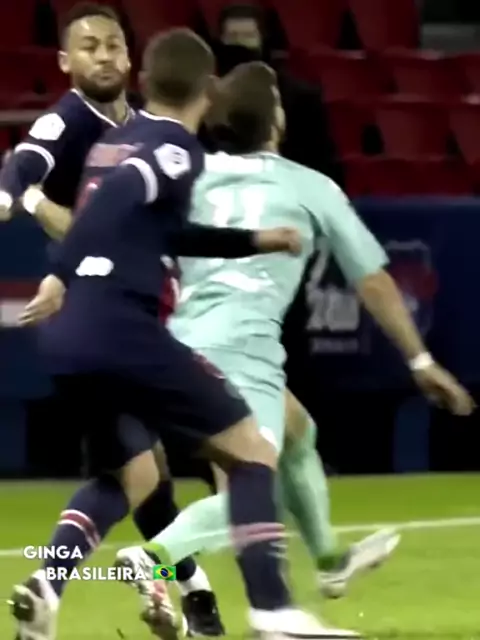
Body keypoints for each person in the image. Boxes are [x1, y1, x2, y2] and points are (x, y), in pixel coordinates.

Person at [16, 29, 357, 640]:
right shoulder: (175, 147)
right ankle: (273, 608)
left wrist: (254, 240)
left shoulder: (116, 140)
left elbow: (160, 229)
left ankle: (50, 588)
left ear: (144, 80)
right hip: (123, 329)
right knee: (252, 452)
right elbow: (120, 197)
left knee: (130, 478)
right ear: (210, 89)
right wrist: (62, 270)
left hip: (69, 339)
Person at [115, 61, 475, 611]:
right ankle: (155, 558)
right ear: (276, 121)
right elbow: (373, 279)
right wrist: (420, 361)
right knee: (254, 484)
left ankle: (330, 560)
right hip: (242, 348)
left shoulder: (192, 175)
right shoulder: (311, 186)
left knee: (298, 431)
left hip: (173, 344)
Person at [1, 4, 225, 636]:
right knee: (203, 459)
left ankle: (196, 602)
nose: (103, 56)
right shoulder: (71, 118)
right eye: (88, 46)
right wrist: (19, 195)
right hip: (109, 319)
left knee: (142, 473)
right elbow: (26, 159)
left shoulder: (148, 127)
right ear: (65, 61)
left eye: (113, 45)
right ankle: (53, 586)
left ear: (131, 56)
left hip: (127, 319)